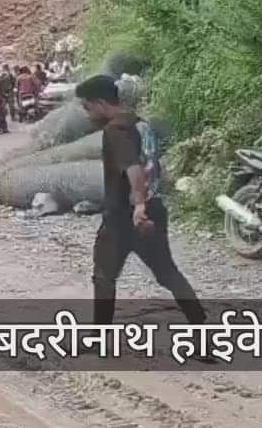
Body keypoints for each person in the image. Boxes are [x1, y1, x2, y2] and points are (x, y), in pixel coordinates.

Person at [74, 75, 209, 335]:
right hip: (154, 210)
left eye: (88, 106)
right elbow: (153, 166)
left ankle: (98, 337)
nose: (86, 113)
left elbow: (134, 169)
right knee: (168, 273)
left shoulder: (116, 129)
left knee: (104, 277)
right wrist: (147, 204)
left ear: (101, 103)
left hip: (125, 217)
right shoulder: (139, 123)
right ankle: (202, 330)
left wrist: (138, 205)